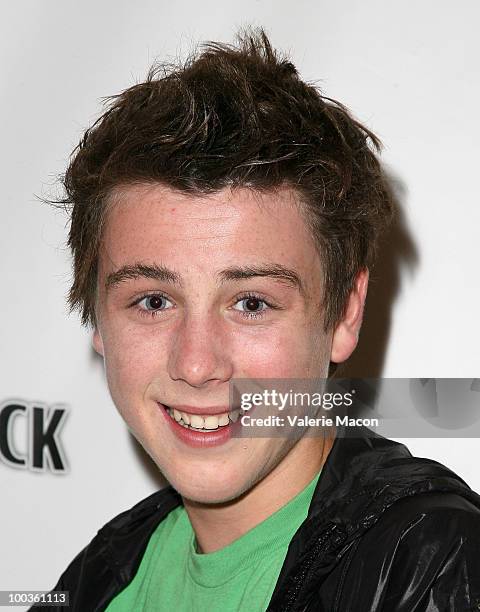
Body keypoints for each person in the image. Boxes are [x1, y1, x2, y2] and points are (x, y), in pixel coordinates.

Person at [35, 29, 480, 611]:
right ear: (96, 315)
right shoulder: (100, 576)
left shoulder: (433, 566)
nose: (196, 364)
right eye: (153, 301)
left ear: (346, 310)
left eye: (251, 304)